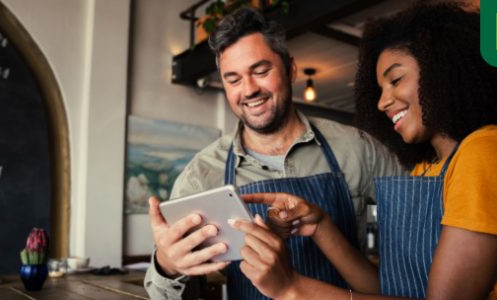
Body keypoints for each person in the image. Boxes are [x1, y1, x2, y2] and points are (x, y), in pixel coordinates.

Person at [231, 2, 497, 299]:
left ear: (443, 70)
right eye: (380, 90)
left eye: (395, 79)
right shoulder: (428, 169)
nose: (382, 102)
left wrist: (292, 289)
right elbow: (390, 290)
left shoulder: (485, 151)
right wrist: (321, 225)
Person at [143, 7, 404, 300]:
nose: (249, 89)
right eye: (233, 79)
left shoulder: (358, 148)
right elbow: (164, 294)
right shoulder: (202, 174)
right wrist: (166, 266)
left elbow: (415, 250)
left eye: (261, 71)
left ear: (291, 69)